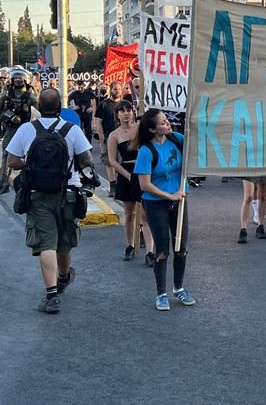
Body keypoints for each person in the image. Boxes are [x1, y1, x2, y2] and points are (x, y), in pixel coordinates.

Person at [6, 88, 93, 313]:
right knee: (64, 241)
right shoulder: (72, 129)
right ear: (60, 107)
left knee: (46, 244)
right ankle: (63, 276)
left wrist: (32, 165)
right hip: (69, 192)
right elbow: (87, 159)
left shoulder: (27, 129)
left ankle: (51, 296)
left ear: (38, 106)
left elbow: (12, 161)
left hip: (37, 193)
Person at [133, 108, 195, 311]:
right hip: (156, 203)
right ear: (152, 129)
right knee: (162, 249)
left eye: (167, 120)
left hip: (179, 201)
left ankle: (179, 288)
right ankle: (161, 293)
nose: (168, 124)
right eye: (162, 123)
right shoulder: (146, 151)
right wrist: (170, 195)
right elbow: (145, 185)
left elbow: (197, 146)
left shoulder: (177, 139)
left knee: (181, 247)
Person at [108, 100, 155, 265]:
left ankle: (150, 251)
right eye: (122, 111)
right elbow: (112, 160)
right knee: (129, 214)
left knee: (146, 215)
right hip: (126, 174)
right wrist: (128, 176)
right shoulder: (114, 135)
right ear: (117, 115)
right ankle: (130, 245)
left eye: (128, 110)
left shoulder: (140, 129)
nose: (126, 113)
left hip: (144, 172)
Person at [0, 66, 38, 193]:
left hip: (26, 128)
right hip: (11, 127)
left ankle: (26, 178)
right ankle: (4, 181)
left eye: (20, 78)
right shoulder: (6, 94)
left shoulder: (30, 97)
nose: (17, 80)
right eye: (15, 77)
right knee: (6, 152)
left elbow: (39, 112)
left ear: (25, 80)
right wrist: (8, 117)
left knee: (29, 154)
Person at [96, 81, 126, 198]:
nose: (117, 91)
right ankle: (112, 185)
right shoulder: (104, 105)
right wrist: (101, 137)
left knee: (123, 161)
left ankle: (122, 185)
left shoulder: (125, 105)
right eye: (115, 89)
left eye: (119, 89)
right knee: (109, 161)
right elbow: (99, 121)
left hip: (124, 136)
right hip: (109, 135)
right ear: (110, 90)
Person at [238, 176, 266, 242]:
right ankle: (243, 229)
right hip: (249, 171)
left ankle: (260, 226)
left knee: (262, 196)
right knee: (248, 197)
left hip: (263, 171)